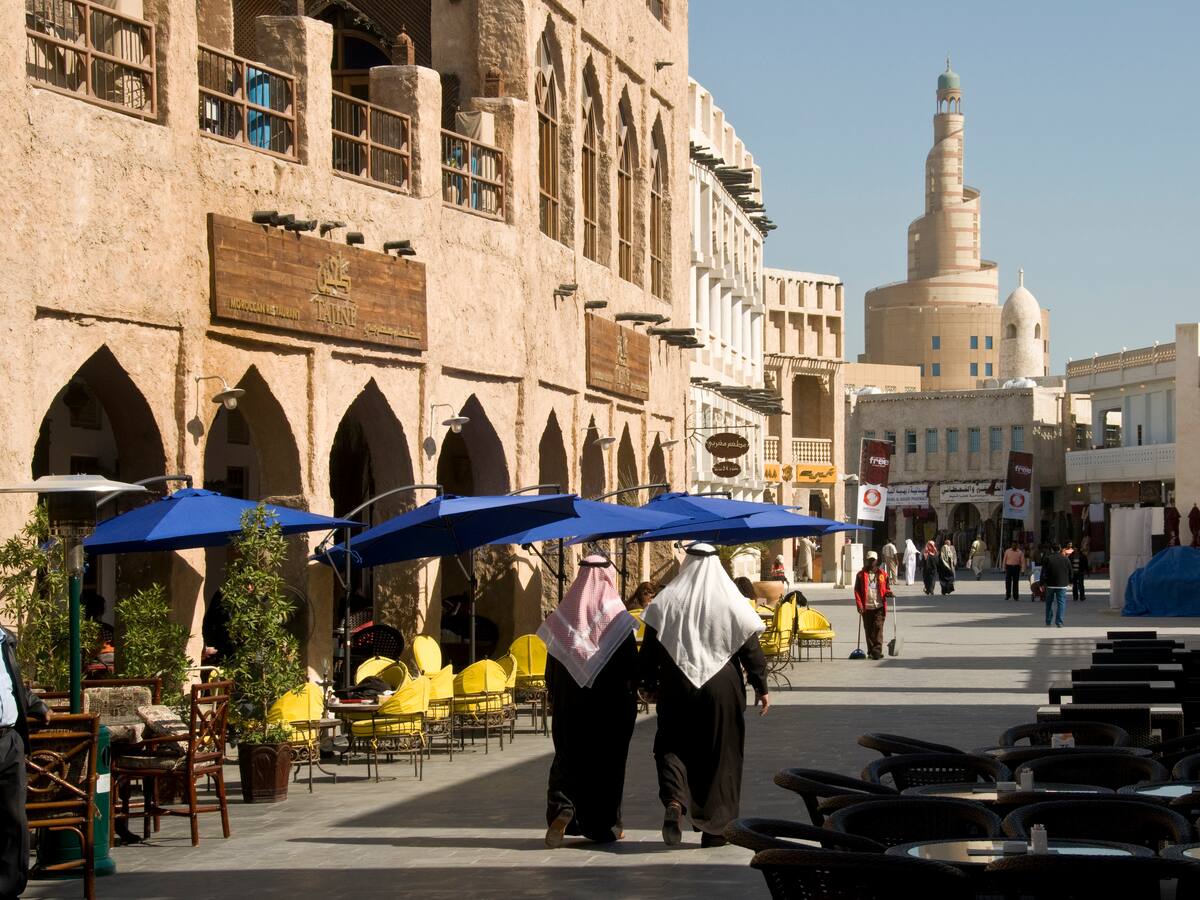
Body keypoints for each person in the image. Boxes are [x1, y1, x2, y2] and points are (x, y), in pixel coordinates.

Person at [639, 543, 768, 848]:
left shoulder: (665, 600)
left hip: (676, 684)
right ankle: (716, 829)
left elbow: (650, 650)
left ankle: (675, 800)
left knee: (671, 743)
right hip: (721, 688)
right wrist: (760, 685)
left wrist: (648, 683)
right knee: (722, 752)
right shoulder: (731, 599)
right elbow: (750, 648)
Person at [540, 555, 640, 847]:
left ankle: (563, 809)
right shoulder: (618, 620)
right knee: (606, 763)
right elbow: (631, 668)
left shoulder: (563, 617)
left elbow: (551, 667)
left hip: (570, 704)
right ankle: (604, 825)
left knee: (567, 756)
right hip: (610, 707)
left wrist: (556, 695)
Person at [2, 626, 51, 899]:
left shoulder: (4, 639)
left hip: (9, 739)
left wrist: (35, 704)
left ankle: (9, 889)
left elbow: (12, 684)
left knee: (14, 818)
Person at [853, 551, 892, 660]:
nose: (871, 562)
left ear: (876, 560)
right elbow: (857, 590)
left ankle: (877, 650)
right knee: (868, 629)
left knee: (878, 627)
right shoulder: (860, 575)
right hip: (866, 606)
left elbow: (887, 588)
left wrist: (888, 593)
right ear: (867, 560)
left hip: (879, 605)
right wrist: (859, 605)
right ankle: (871, 651)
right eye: (870, 560)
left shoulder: (882, 574)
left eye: (873, 560)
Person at [1041, 543, 1072, 627]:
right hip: (1062, 584)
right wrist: (1071, 581)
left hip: (1050, 584)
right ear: (1060, 549)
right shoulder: (1065, 559)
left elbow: (1043, 572)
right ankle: (1059, 622)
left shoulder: (1048, 559)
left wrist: (1041, 583)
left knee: (1049, 603)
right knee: (1061, 603)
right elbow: (1070, 571)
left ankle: (1048, 621)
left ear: (1051, 549)